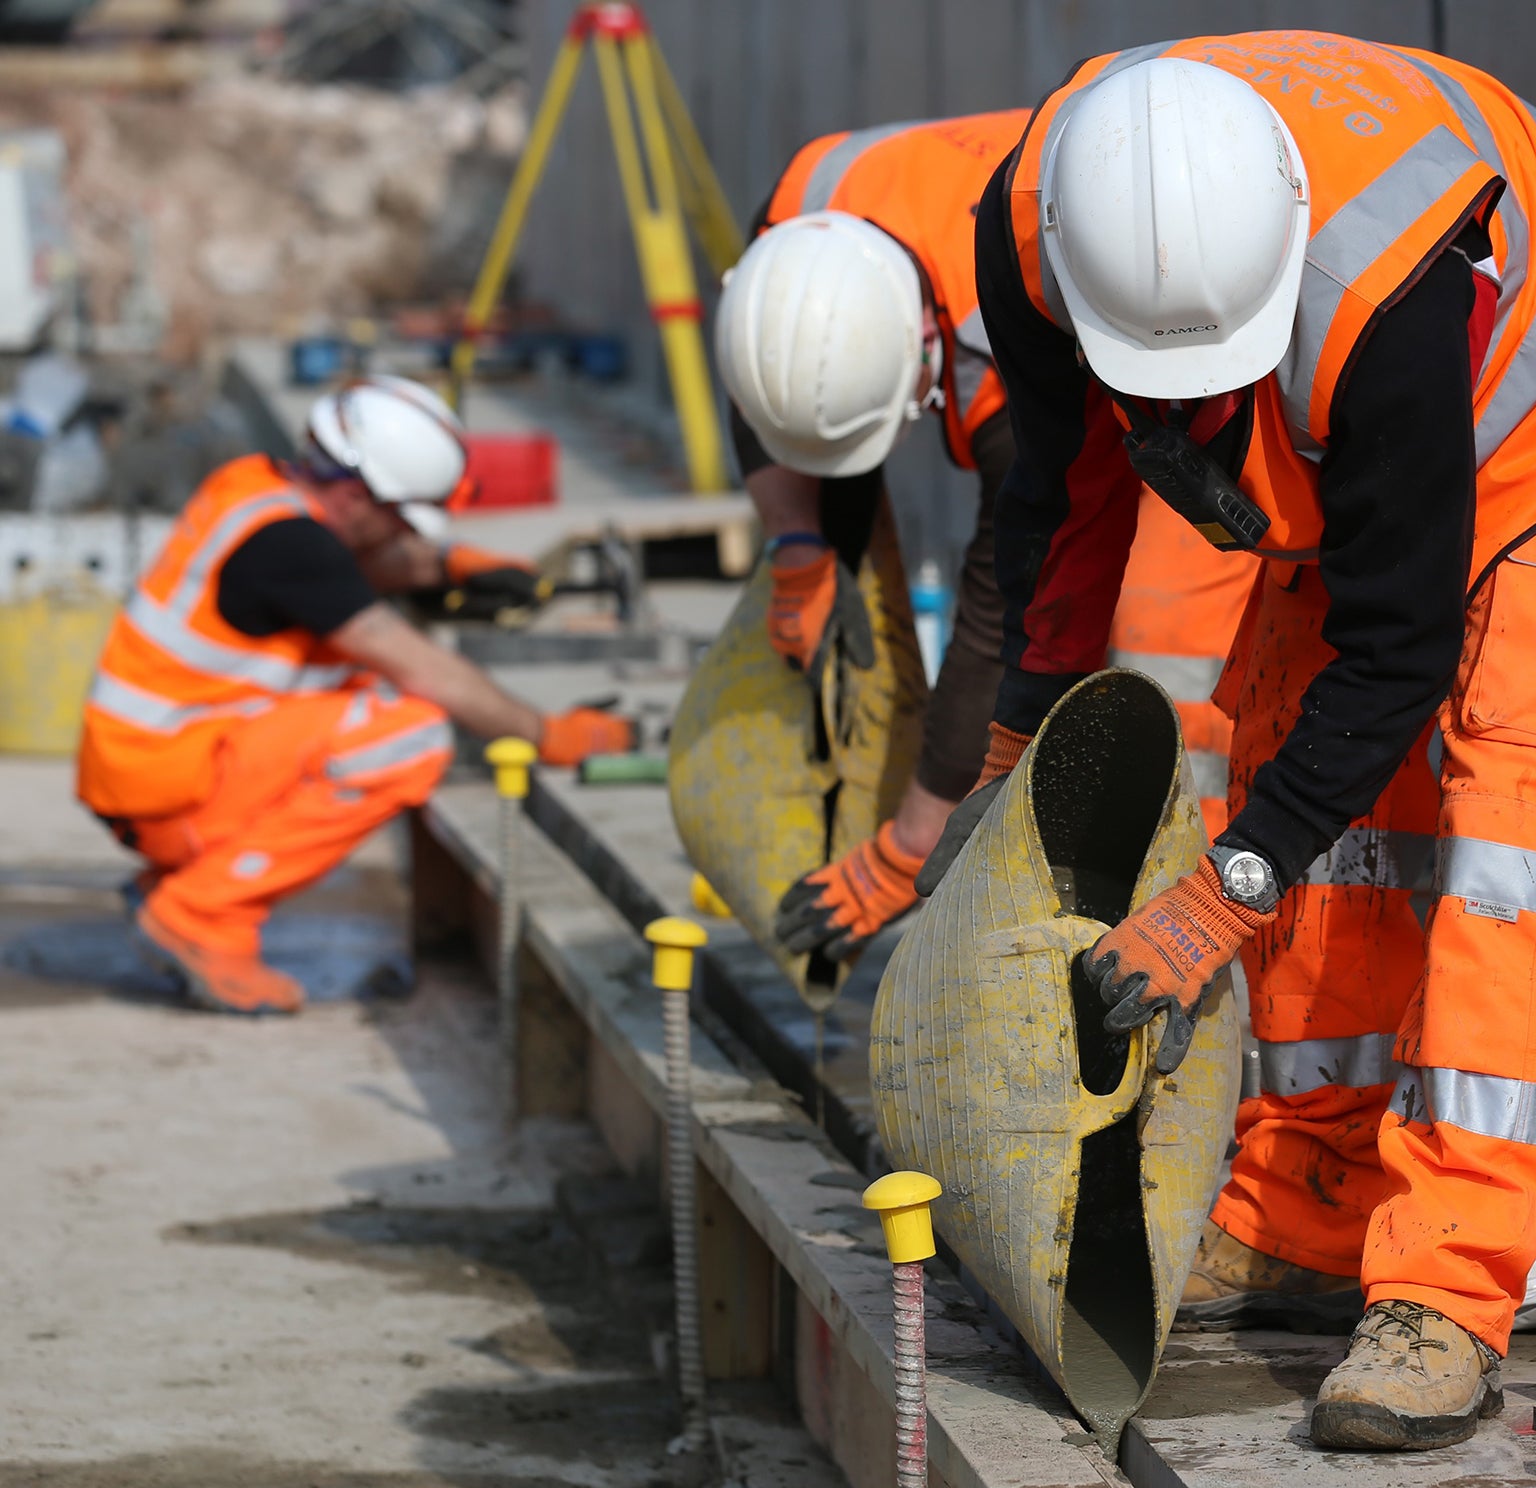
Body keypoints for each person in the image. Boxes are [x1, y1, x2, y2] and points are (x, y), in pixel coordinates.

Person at [950, 34, 1536, 1451]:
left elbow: (1403, 647)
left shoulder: (1393, 301)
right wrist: (1011, 748)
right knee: (1327, 795)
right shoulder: (1042, 224)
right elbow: (1059, 498)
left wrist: (1220, 894)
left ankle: (1450, 1287)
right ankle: (1307, 1206)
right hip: (1333, 403)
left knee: (1502, 817)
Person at [716, 113, 1253, 965]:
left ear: (927, 350)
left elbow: (1006, 604)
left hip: (1205, 388)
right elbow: (768, 393)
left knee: (1163, 664)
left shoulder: (1006, 351)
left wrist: (909, 846)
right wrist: (797, 549)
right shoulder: (799, 222)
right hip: (1068, 226)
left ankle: (1195, 928)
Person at [76, 376, 635, 1016]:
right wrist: (548, 733)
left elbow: (341, 569)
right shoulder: (292, 546)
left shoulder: (254, 486)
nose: (403, 534)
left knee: (357, 694)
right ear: (354, 492)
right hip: (169, 792)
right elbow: (427, 669)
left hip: (149, 767)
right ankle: (202, 914)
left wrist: (448, 567)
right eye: (399, 517)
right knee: (406, 733)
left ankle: (181, 882)